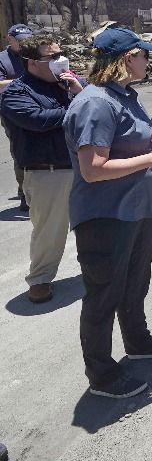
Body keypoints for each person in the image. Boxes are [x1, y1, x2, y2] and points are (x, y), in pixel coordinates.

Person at [63, 27, 152, 399]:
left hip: (137, 210)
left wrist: (151, 143)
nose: (150, 60)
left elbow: (126, 142)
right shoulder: (96, 103)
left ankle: (137, 340)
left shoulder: (124, 97)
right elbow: (93, 168)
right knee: (103, 294)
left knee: (134, 283)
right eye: (144, 55)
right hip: (107, 217)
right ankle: (102, 375)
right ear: (126, 59)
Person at [0, 34, 84, 302]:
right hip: (48, 172)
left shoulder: (68, 84)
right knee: (50, 230)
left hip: (83, 165)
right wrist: (78, 103)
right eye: (52, 57)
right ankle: (40, 278)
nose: (60, 60)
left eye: (61, 53)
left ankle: (99, 267)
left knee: (94, 222)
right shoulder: (17, 93)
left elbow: (98, 103)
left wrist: (79, 93)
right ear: (32, 63)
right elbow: (39, 120)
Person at [1, 24, 33, 211]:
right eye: (19, 41)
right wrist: (24, 82)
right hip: (13, 112)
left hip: (40, 107)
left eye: (27, 40)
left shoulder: (35, 54)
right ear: (9, 39)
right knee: (21, 149)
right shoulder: (2, 60)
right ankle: (24, 193)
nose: (24, 44)